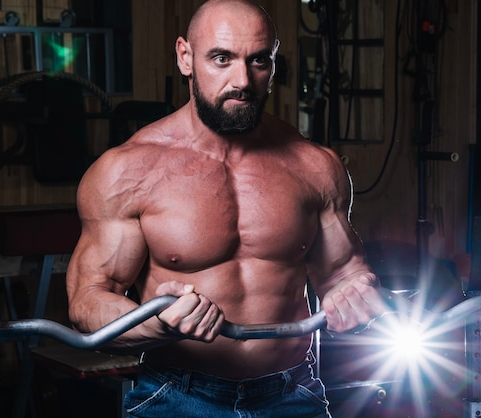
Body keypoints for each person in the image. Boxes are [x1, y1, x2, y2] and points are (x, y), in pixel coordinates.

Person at [66, 0, 387, 416]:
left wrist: (356, 295)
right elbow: (88, 302)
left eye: (258, 61)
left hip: (292, 393)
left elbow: (345, 272)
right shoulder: (127, 171)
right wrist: (159, 322)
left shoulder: (314, 166)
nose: (242, 80)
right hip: (176, 395)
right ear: (185, 57)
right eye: (222, 59)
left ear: (273, 62)